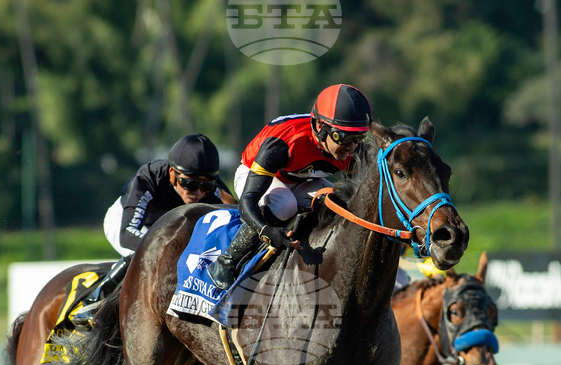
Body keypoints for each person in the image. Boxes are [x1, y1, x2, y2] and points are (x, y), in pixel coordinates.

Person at [207, 84, 372, 290]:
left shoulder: (354, 151)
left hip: (299, 179)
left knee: (338, 203)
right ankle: (226, 262)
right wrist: (266, 231)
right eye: (344, 137)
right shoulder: (283, 142)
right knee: (285, 205)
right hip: (253, 173)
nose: (352, 147)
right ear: (320, 127)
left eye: (359, 138)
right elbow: (247, 201)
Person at [90, 134, 234, 301]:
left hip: (169, 229)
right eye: (190, 184)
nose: (198, 193)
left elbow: (233, 223)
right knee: (144, 253)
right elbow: (127, 233)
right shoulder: (149, 177)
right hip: (130, 223)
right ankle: (96, 299)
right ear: (172, 172)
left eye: (206, 186)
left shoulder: (214, 188)